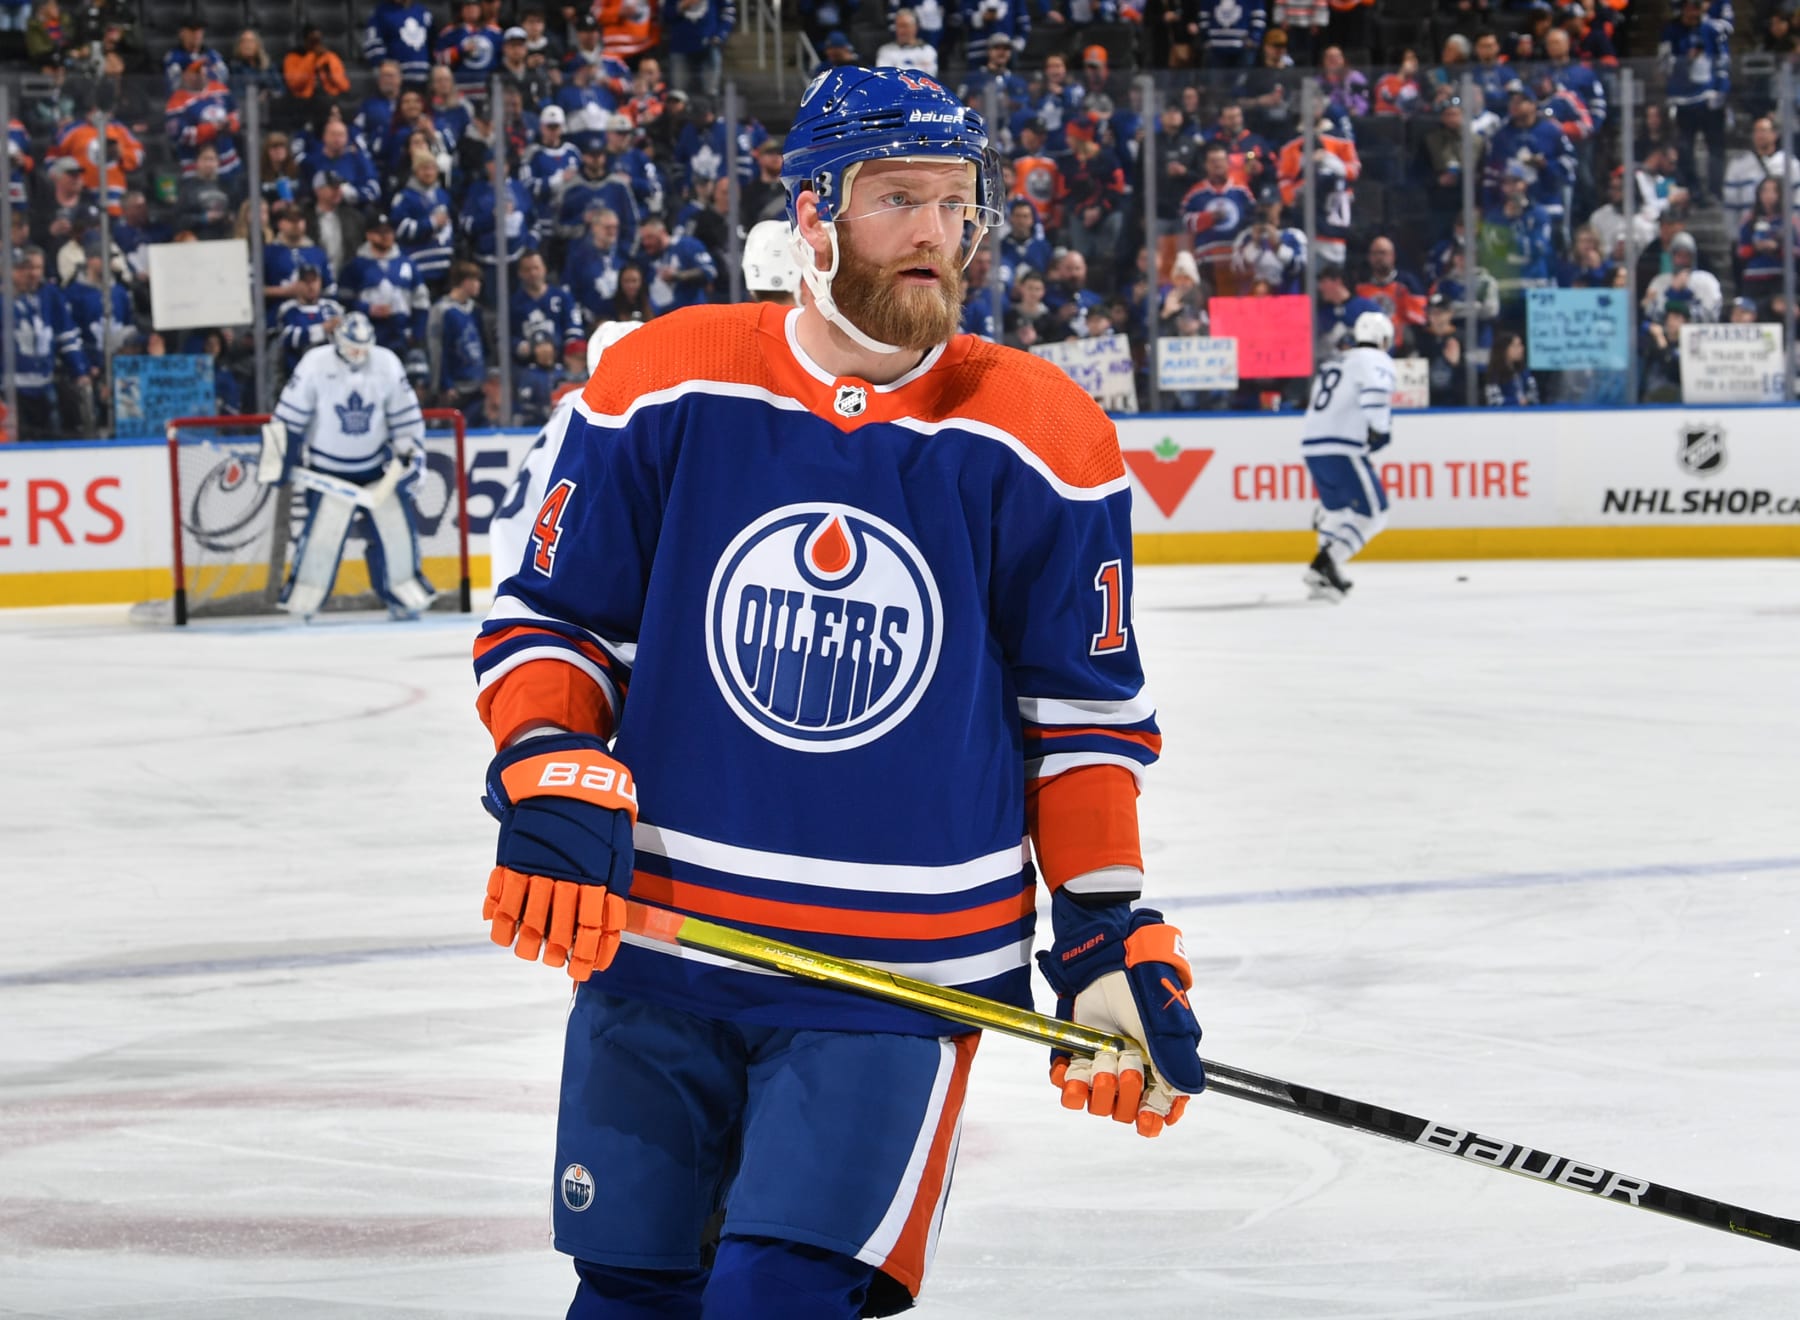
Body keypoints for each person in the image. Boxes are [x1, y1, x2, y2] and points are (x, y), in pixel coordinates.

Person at [468, 65, 1204, 1318]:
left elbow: (1080, 723)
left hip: (896, 979)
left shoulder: (1041, 431)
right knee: (626, 1299)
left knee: (774, 1302)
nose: (934, 232)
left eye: (955, 203)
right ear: (812, 214)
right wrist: (547, 756)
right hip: (659, 943)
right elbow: (553, 618)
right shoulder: (665, 380)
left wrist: (1103, 931)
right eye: (895, 197)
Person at [264, 311, 436, 619]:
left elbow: (406, 418)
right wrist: (277, 458)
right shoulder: (315, 364)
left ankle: (402, 598)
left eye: (363, 348)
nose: (358, 354)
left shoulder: (386, 363)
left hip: (375, 473)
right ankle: (305, 603)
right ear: (337, 340)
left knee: (394, 539)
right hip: (326, 471)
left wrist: (410, 455)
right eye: (351, 347)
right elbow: (288, 418)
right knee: (321, 541)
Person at [1300, 309, 1394, 602]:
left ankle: (1325, 575)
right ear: (1381, 339)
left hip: (1312, 445)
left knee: (1337, 514)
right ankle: (1325, 565)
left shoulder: (1336, 362)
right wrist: (1380, 428)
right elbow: (1376, 395)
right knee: (1375, 513)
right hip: (1342, 446)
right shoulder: (1376, 359)